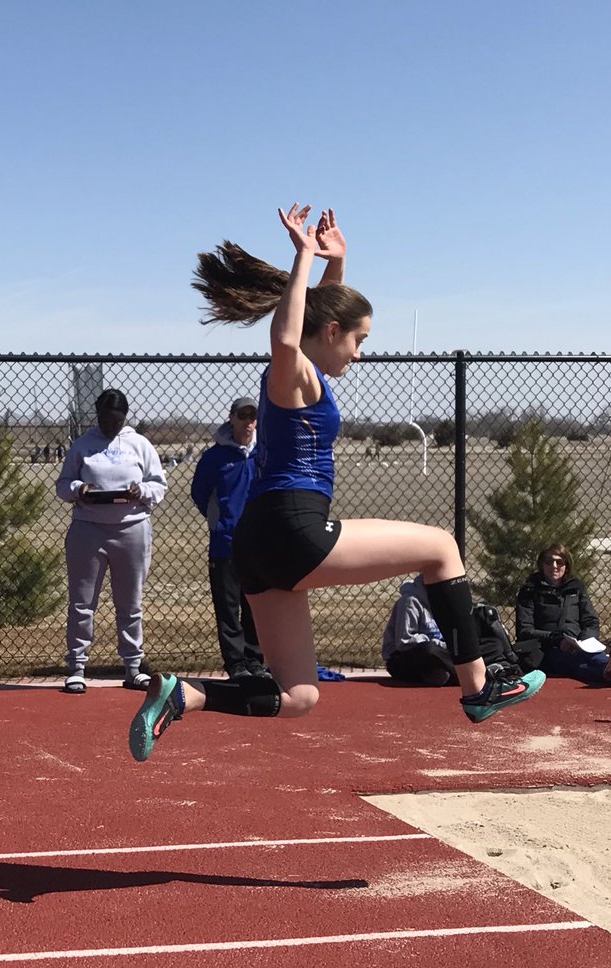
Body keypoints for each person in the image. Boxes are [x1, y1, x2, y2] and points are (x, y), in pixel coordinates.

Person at [128, 203, 543, 762]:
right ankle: (480, 685)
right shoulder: (292, 372)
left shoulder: (307, 372)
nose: (361, 351)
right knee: (442, 547)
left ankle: (187, 695)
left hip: (256, 545)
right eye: (359, 339)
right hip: (292, 527)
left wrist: (336, 264)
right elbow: (287, 336)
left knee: (298, 696)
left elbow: (315, 321)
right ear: (329, 333)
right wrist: (302, 257)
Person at [55, 388, 167, 694]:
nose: (109, 425)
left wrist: (140, 491)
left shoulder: (140, 444)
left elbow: (159, 486)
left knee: (130, 604)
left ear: (124, 417)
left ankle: (133, 667)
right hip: (88, 530)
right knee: (81, 603)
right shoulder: (83, 445)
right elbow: (62, 486)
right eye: (105, 419)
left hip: (131, 529)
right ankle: (77, 667)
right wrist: (80, 489)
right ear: (97, 416)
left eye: (115, 420)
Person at [190, 396, 267, 680]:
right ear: (231, 418)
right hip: (225, 544)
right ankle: (235, 664)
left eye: (252, 416)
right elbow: (199, 493)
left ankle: (254, 660)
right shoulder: (214, 457)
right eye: (243, 416)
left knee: (256, 605)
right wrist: (219, 523)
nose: (248, 422)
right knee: (228, 606)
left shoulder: (265, 452)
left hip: (259, 543)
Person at [513, 544, 611, 687]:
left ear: (566, 565)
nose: (554, 566)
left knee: (592, 656)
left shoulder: (576, 588)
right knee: (573, 664)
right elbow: (524, 630)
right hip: (547, 647)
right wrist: (557, 640)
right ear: (541, 564)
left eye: (559, 562)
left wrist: (584, 641)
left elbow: (590, 620)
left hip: (578, 643)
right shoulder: (529, 590)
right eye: (548, 562)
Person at [381, 574, 521, 687]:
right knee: (429, 650)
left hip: (445, 653)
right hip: (407, 656)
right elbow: (404, 642)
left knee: (494, 644)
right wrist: (440, 645)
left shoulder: (447, 601)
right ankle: (467, 674)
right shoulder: (410, 601)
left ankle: (446, 674)